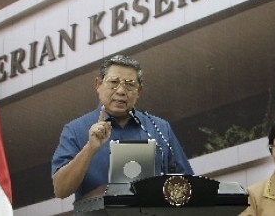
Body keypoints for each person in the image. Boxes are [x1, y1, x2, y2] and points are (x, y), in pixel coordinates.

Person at [51, 54, 194, 201]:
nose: (120, 91)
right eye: (113, 82)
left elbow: (187, 184)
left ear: (139, 91)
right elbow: (61, 190)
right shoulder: (75, 129)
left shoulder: (160, 128)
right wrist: (90, 148)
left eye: (130, 84)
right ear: (97, 84)